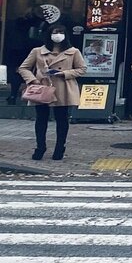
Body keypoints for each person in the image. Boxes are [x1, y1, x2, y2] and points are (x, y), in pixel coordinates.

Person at [17, 25, 85, 162]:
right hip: (42, 86)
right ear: (49, 34)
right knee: (41, 118)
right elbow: (23, 68)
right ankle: (40, 147)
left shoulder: (73, 52)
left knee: (62, 118)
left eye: (61, 32)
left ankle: (60, 147)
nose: (58, 35)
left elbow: (82, 69)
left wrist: (63, 73)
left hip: (63, 87)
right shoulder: (38, 51)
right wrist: (32, 80)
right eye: (55, 32)